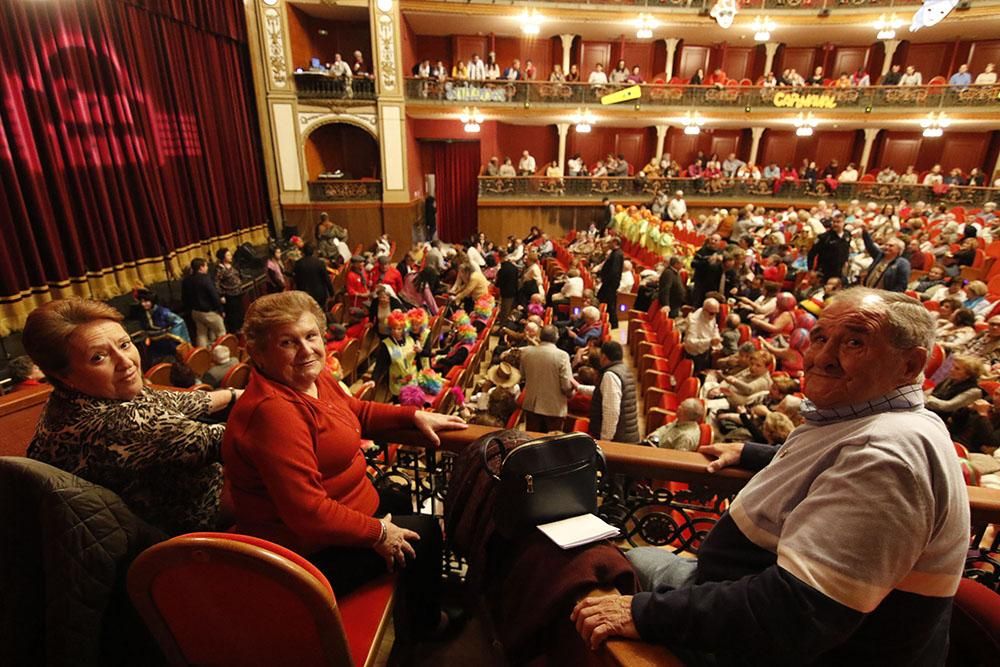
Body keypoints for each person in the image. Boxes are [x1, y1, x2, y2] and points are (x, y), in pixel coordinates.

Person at [573, 288, 969, 664]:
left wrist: (643, 615)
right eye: (819, 338)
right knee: (635, 557)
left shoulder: (886, 458)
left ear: (910, 364)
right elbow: (835, 470)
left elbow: (796, 614)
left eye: (854, 343)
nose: (822, 357)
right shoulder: (881, 421)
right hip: (735, 590)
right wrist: (751, 452)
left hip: (771, 645)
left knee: (582, 580)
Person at [222, 291, 465, 639]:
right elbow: (308, 513)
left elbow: (356, 412)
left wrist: (412, 414)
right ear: (259, 353)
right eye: (288, 342)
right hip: (305, 556)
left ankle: (408, 609)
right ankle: (428, 626)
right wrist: (378, 533)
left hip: (338, 519)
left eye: (311, 336)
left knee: (396, 496)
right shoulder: (273, 412)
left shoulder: (311, 378)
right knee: (425, 534)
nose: (306, 350)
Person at [24, 298, 240, 535]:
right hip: (183, 536)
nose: (125, 362)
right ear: (64, 375)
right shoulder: (116, 424)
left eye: (125, 345)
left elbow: (178, 401)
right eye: (98, 357)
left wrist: (234, 394)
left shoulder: (71, 397)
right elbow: (236, 440)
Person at [519, 325, 575, 432]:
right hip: (554, 407)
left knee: (532, 441)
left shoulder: (526, 352)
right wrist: (572, 392)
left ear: (540, 336)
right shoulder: (562, 355)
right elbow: (566, 386)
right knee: (552, 444)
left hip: (532, 405)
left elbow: (523, 375)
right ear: (556, 338)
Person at [584, 341, 639, 443]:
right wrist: (579, 387)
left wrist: (605, 441)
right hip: (626, 436)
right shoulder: (623, 369)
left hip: (618, 440)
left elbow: (611, 412)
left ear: (604, 357)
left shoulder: (610, 375)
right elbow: (603, 393)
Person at [374, 310, 418, 400]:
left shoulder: (411, 339)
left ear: (404, 329)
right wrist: (373, 380)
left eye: (399, 329)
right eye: (393, 328)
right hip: (397, 384)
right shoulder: (386, 344)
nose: (396, 331)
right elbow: (380, 364)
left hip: (413, 380)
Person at [181, 258, 226, 347]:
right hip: (208, 313)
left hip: (195, 312)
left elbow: (184, 297)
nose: (207, 268)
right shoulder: (205, 279)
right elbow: (214, 296)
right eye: (206, 266)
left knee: (201, 335)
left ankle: (203, 356)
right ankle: (221, 355)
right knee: (221, 332)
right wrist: (221, 310)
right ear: (201, 267)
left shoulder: (186, 280)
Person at [294, 243, 334, 309]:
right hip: (320, 294)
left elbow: (297, 280)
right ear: (313, 251)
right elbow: (326, 279)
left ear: (303, 252)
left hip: (305, 294)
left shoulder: (298, 264)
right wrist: (331, 293)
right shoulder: (320, 263)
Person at [597, 238, 624, 326]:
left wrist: (605, 279)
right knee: (603, 300)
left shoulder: (617, 254)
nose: (608, 244)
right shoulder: (615, 253)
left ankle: (613, 323)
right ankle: (605, 321)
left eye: (610, 242)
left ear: (615, 243)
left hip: (610, 284)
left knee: (610, 303)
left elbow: (614, 271)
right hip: (608, 283)